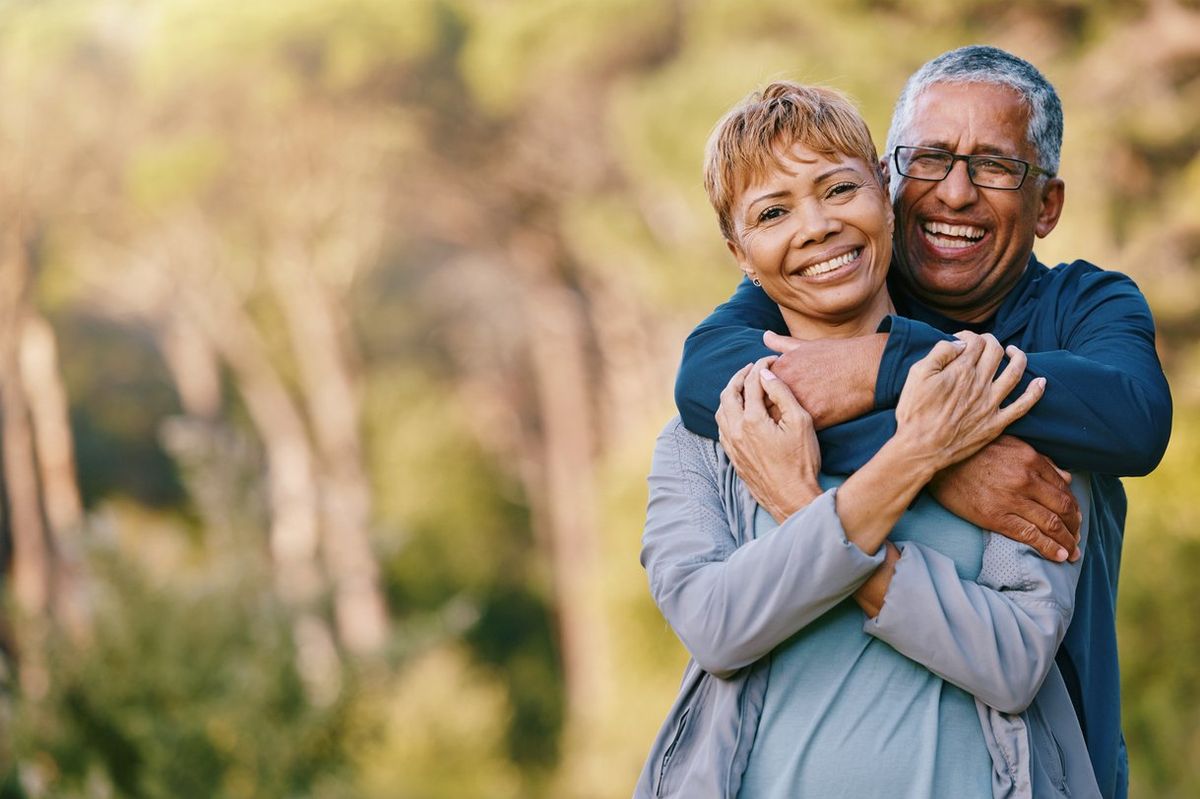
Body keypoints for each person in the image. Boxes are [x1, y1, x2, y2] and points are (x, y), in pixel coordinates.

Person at [674, 46, 1171, 799]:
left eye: (996, 166)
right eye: (930, 158)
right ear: (890, 177)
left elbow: (1134, 420)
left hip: (1045, 765)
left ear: (1048, 206)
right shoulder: (836, 283)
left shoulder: (1084, 309)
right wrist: (944, 460)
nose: (957, 191)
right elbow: (707, 378)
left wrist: (883, 366)